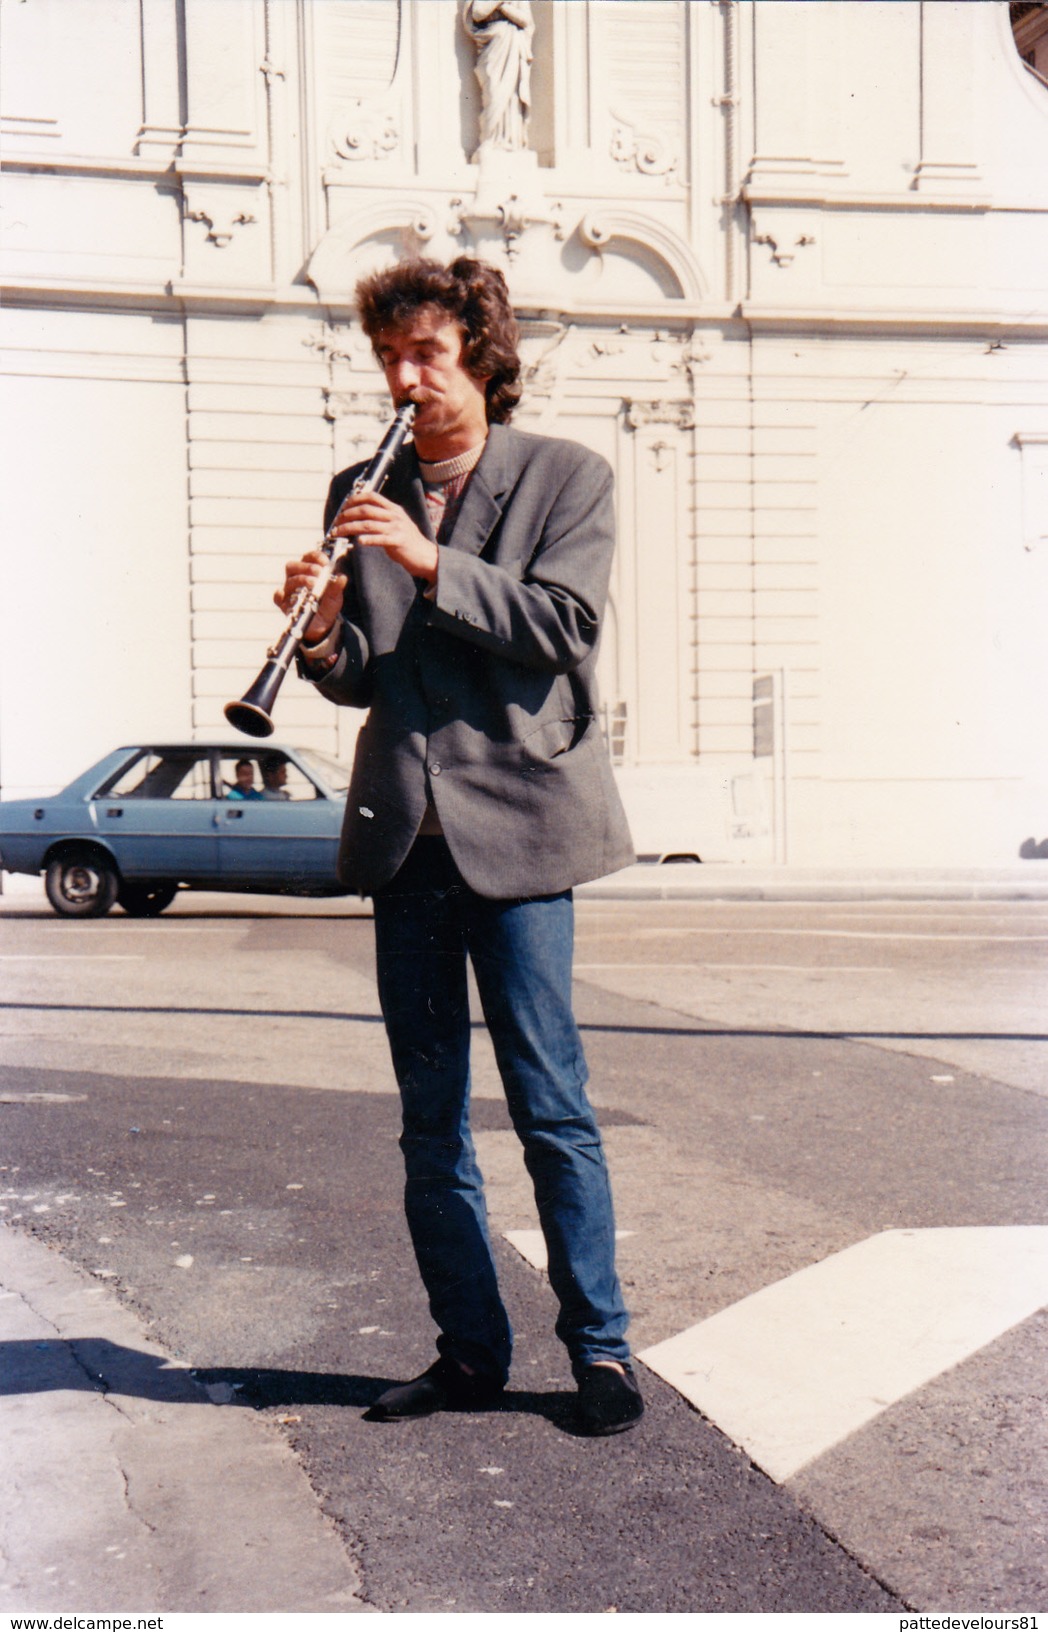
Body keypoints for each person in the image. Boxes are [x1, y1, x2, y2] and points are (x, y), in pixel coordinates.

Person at [276, 255, 642, 1436]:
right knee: (429, 1122)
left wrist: (432, 561)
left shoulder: (566, 477)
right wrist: (326, 635)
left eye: (426, 354)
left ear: (481, 355)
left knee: (550, 1107)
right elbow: (366, 683)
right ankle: (467, 1354)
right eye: (388, 356)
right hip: (404, 841)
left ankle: (600, 1353)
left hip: (523, 832)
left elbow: (563, 628)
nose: (403, 377)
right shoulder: (357, 484)